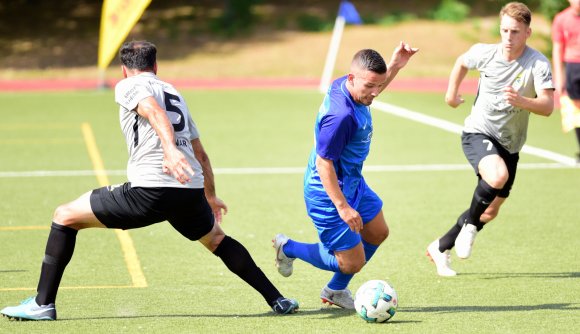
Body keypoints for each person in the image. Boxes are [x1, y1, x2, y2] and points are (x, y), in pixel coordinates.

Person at [0, 40, 298, 321]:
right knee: (218, 240)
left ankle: (43, 304)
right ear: (156, 66)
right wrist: (210, 195)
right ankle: (277, 299)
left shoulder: (129, 84)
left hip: (151, 190)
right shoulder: (174, 93)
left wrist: (168, 151)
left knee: (64, 216)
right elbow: (200, 154)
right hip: (189, 189)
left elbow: (152, 111)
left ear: (124, 68)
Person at [273, 43, 418, 309]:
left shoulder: (351, 85)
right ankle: (288, 247)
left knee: (377, 232)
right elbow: (323, 162)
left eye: (379, 85)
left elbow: (371, 84)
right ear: (352, 78)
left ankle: (335, 291)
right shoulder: (340, 117)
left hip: (352, 181)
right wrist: (343, 207)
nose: (375, 93)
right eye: (370, 87)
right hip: (328, 193)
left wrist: (395, 65)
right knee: (352, 262)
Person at [426, 2, 554, 276]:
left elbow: (547, 106)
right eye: (505, 30)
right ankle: (469, 228)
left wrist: (522, 101)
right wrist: (451, 94)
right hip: (478, 131)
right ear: (500, 29)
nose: (509, 37)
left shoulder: (538, 63)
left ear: (528, 32)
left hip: (511, 143)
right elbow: (462, 62)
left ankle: (440, 246)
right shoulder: (484, 53)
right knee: (497, 176)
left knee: (490, 211)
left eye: (516, 32)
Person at [552, 0, 580, 162]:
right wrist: (559, 76)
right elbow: (557, 48)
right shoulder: (561, 19)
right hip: (573, 67)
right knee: (576, 110)